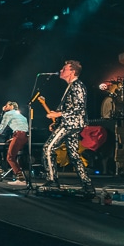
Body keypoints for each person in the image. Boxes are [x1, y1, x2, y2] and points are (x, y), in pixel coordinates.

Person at [41, 60, 95, 196]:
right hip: (70, 123)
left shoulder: (77, 86)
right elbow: (70, 107)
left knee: (48, 148)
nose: (61, 70)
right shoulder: (71, 86)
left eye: (64, 69)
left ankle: (52, 180)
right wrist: (57, 121)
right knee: (74, 155)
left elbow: (79, 107)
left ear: (72, 71)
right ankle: (87, 185)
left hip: (71, 124)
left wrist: (58, 114)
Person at [0, 101, 30, 186]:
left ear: (11, 106)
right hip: (25, 136)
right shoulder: (21, 116)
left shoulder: (8, 114)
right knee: (15, 156)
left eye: (6, 105)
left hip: (18, 135)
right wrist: (14, 138)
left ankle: (21, 179)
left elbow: (1, 128)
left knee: (10, 157)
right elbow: (23, 128)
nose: (4, 106)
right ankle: (21, 177)